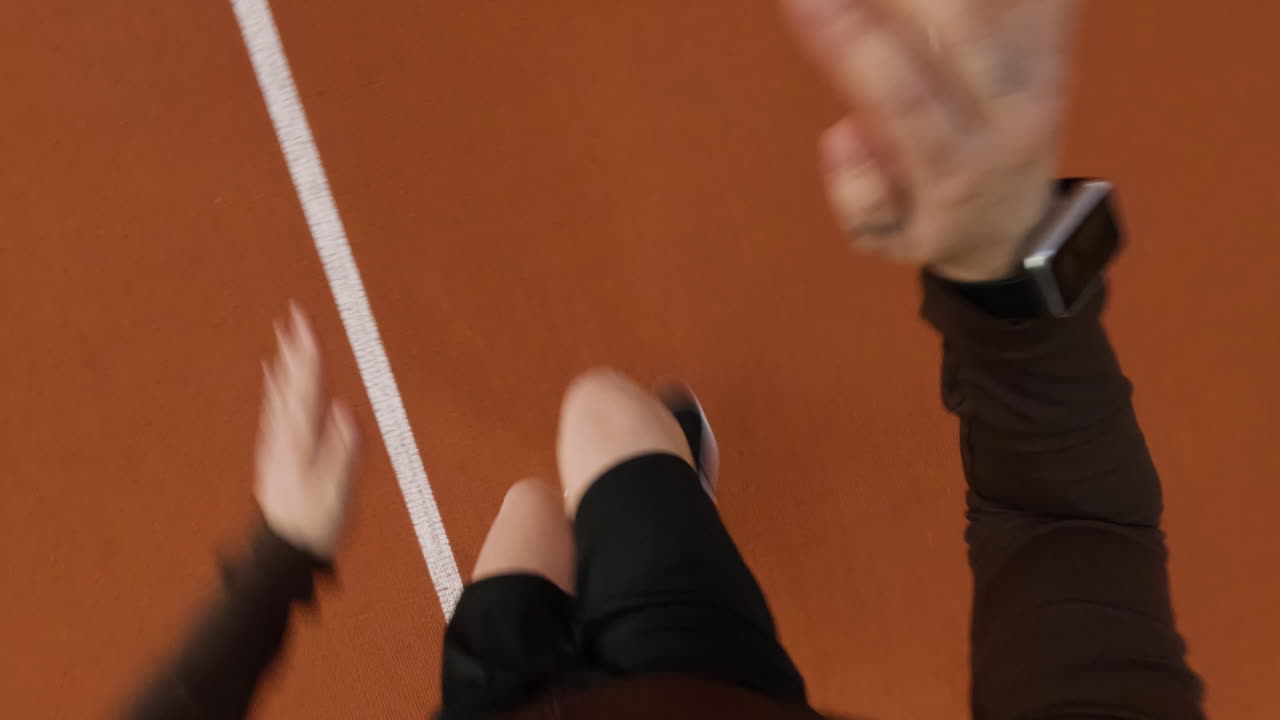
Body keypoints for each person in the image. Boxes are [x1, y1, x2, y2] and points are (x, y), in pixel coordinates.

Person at [122, 0, 1206, 718]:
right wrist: (1004, 269)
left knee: (528, 509)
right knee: (599, 416)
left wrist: (280, 557)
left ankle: (649, 504)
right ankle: (668, 495)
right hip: (700, 669)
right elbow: (1073, 527)